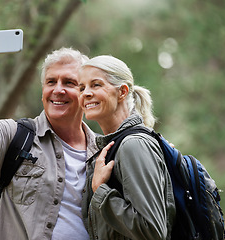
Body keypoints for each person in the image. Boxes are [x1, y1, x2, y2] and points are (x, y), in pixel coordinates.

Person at [0, 26, 98, 240]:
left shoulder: (103, 151)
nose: (57, 90)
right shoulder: (15, 136)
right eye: (51, 82)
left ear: (85, 92)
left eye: (69, 82)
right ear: (43, 91)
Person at [78, 55, 176, 240]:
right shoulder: (115, 146)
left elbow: (152, 231)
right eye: (82, 88)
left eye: (96, 85)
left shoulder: (133, 145)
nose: (85, 94)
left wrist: (101, 191)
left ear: (122, 92)